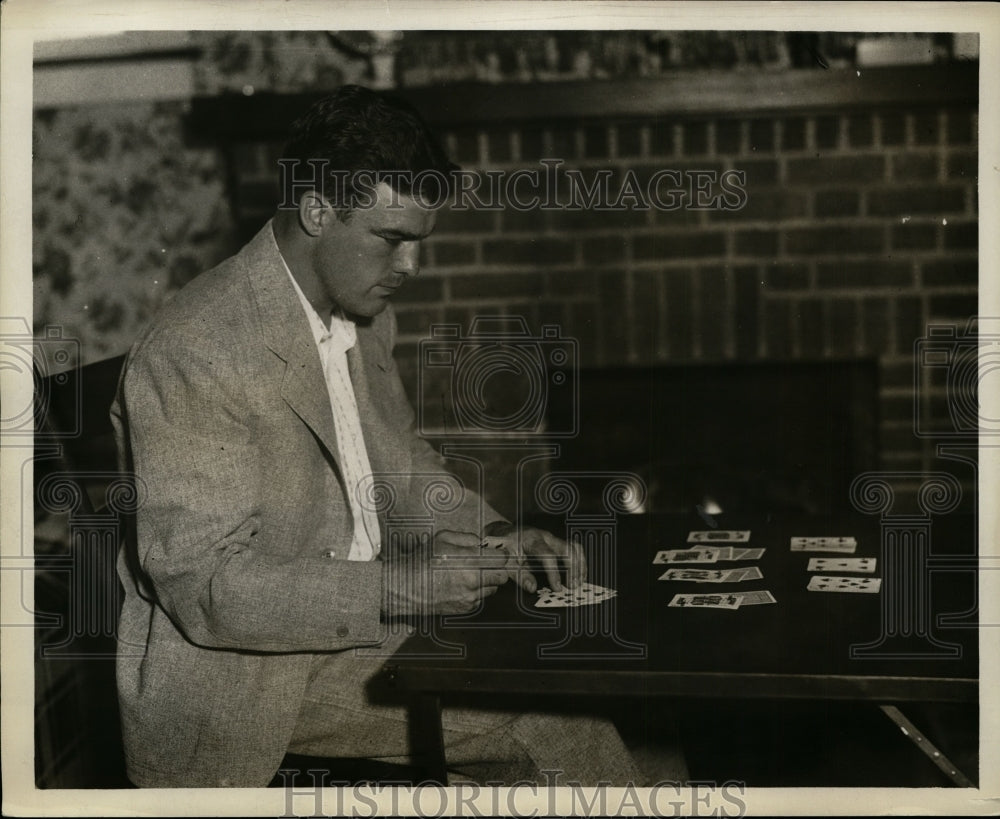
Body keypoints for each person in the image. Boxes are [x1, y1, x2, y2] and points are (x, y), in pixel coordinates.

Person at [110, 85, 643, 788]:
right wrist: (404, 587)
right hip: (243, 679)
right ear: (317, 210)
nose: (411, 269)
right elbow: (208, 590)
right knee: (563, 726)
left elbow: (401, 466)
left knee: (578, 673)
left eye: (420, 243)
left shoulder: (360, 313)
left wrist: (495, 536)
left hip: (357, 627)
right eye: (391, 240)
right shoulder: (197, 348)